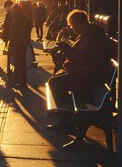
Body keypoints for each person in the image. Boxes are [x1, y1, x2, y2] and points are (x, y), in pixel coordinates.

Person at [46, 9, 109, 150]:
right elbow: (80, 57)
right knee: (55, 81)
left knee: (54, 82)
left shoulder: (91, 36)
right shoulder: (88, 34)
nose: (73, 30)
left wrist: (66, 48)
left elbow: (81, 58)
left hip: (87, 78)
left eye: (74, 26)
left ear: (80, 22)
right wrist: (69, 60)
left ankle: (68, 120)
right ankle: (66, 119)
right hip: (86, 74)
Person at [8, 4, 33, 88]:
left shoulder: (16, 20)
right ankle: (22, 81)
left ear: (14, 11)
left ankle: (16, 81)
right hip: (24, 43)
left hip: (18, 43)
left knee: (18, 63)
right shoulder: (25, 19)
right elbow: (30, 25)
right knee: (22, 62)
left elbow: (13, 33)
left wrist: (12, 42)